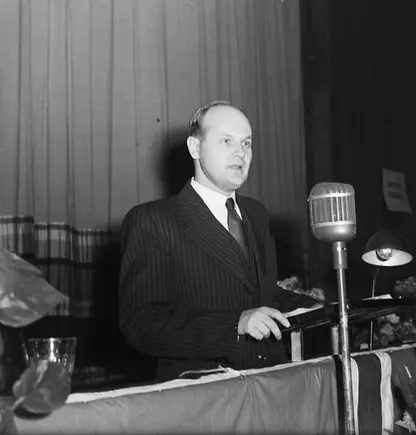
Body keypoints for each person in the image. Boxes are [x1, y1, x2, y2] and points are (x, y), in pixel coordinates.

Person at [118, 101, 318, 381]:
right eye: (226, 141)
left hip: (272, 384)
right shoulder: (153, 220)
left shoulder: (256, 214)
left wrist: (317, 308)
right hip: (204, 393)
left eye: (246, 143)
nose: (240, 152)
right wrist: (235, 325)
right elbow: (141, 324)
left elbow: (261, 296)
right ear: (195, 148)